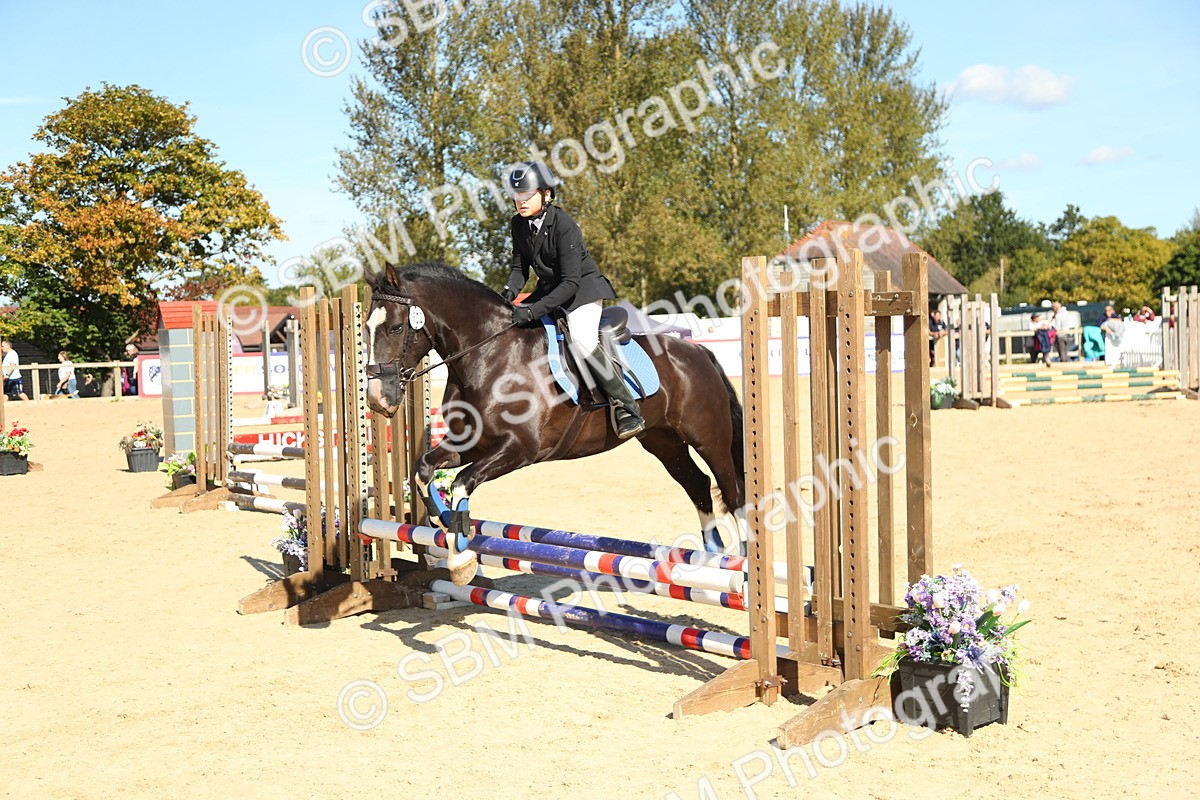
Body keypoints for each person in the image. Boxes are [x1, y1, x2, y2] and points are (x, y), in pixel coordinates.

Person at [500, 161, 645, 439]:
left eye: (527, 194)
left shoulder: (564, 225)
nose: (521, 201)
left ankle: (626, 406)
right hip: (550, 290)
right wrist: (508, 293)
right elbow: (520, 269)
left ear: (547, 194)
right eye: (517, 195)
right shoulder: (518, 224)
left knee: (581, 340)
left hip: (581, 293)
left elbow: (570, 282)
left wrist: (532, 310)